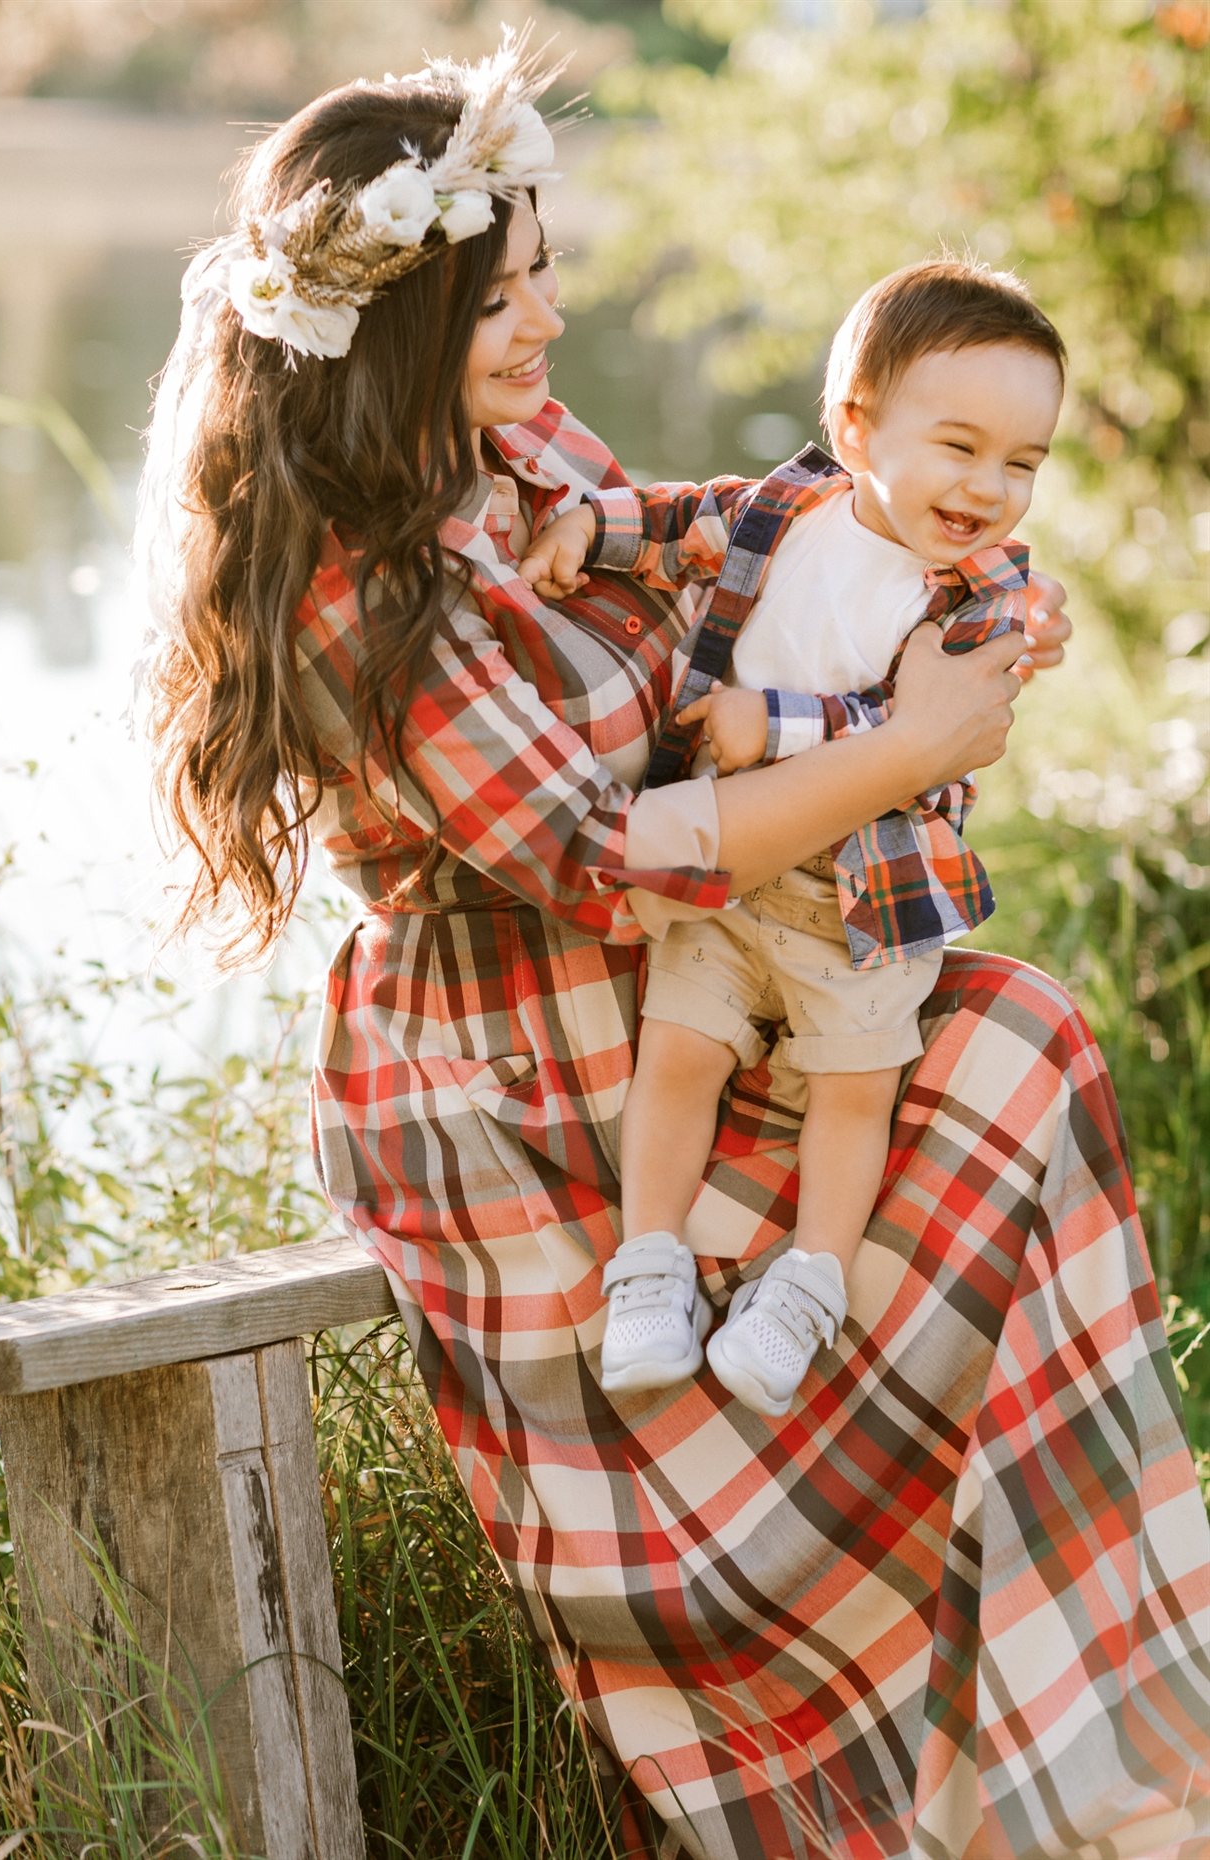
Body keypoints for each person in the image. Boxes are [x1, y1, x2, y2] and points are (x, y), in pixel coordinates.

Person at [137, 38, 1209, 1860]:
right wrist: (905, 750)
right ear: (399, 325)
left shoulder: (511, 453)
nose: (554, 317)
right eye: (511, 291)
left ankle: (1097, 1755)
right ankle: (880, 1792)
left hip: (691, 983)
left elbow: (724, 554)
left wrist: (925, 584)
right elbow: (598, 861)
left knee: (1016, 1043)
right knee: (737, 1528)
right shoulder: (349, 585)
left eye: (547, 268)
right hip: (508, 1061)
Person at [517, 261, 1067, 1418]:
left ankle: (809, 1282)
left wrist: (773, 723)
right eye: (958, 446)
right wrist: (587, 524)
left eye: (1022, 463)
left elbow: (920, 730)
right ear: (856, 426)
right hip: (736, 878)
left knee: (850, 1090)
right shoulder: (787, 510)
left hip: (865, 899)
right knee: (677, 1053)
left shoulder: (976, 595)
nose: (988, 487)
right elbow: (681, 515)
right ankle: (651, 1265)